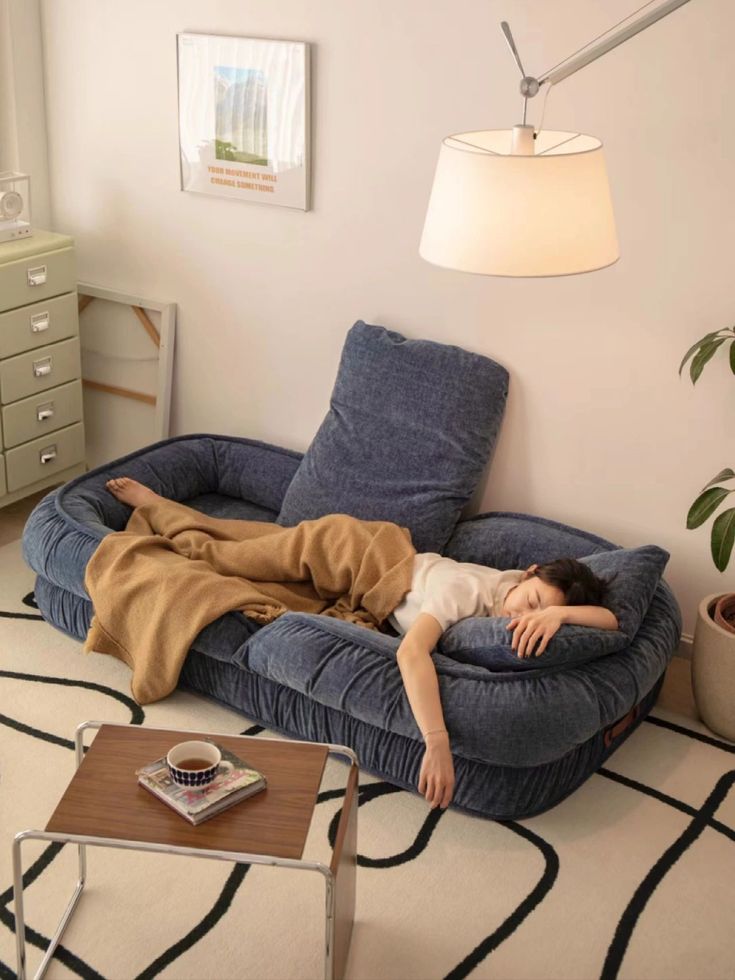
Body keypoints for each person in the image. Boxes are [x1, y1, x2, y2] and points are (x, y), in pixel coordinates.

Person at [104, 478, 618, 813]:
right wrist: (436, 742)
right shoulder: (470, 592)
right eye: (528, 600)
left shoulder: (525, 596)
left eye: (536, 611)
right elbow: (410, 653)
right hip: (359, 552)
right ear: (526, 574)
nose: (519, 617)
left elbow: (613, 621)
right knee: (230, 555)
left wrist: (560, 612)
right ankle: (160, 507)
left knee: (256, 574)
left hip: (371, 587)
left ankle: (175, 520)